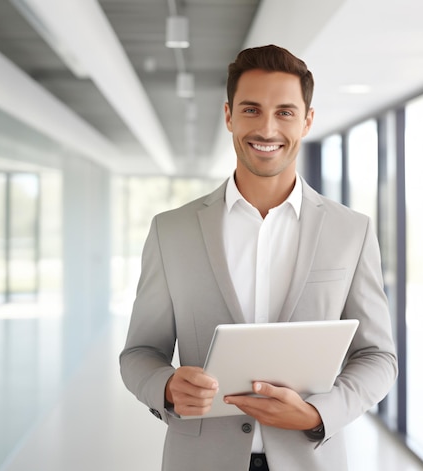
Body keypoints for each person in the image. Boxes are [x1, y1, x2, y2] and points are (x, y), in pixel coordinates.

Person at [119, 44, 397, 471]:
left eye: (285, 112)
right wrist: (167, 385)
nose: (267, 129)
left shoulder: (351, 231)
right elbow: (139, 353)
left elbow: (378, 357)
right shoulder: (170, 230)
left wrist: (319, 414)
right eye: (251, 110)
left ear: (307, 121)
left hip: (309, 458)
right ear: (229, 115)